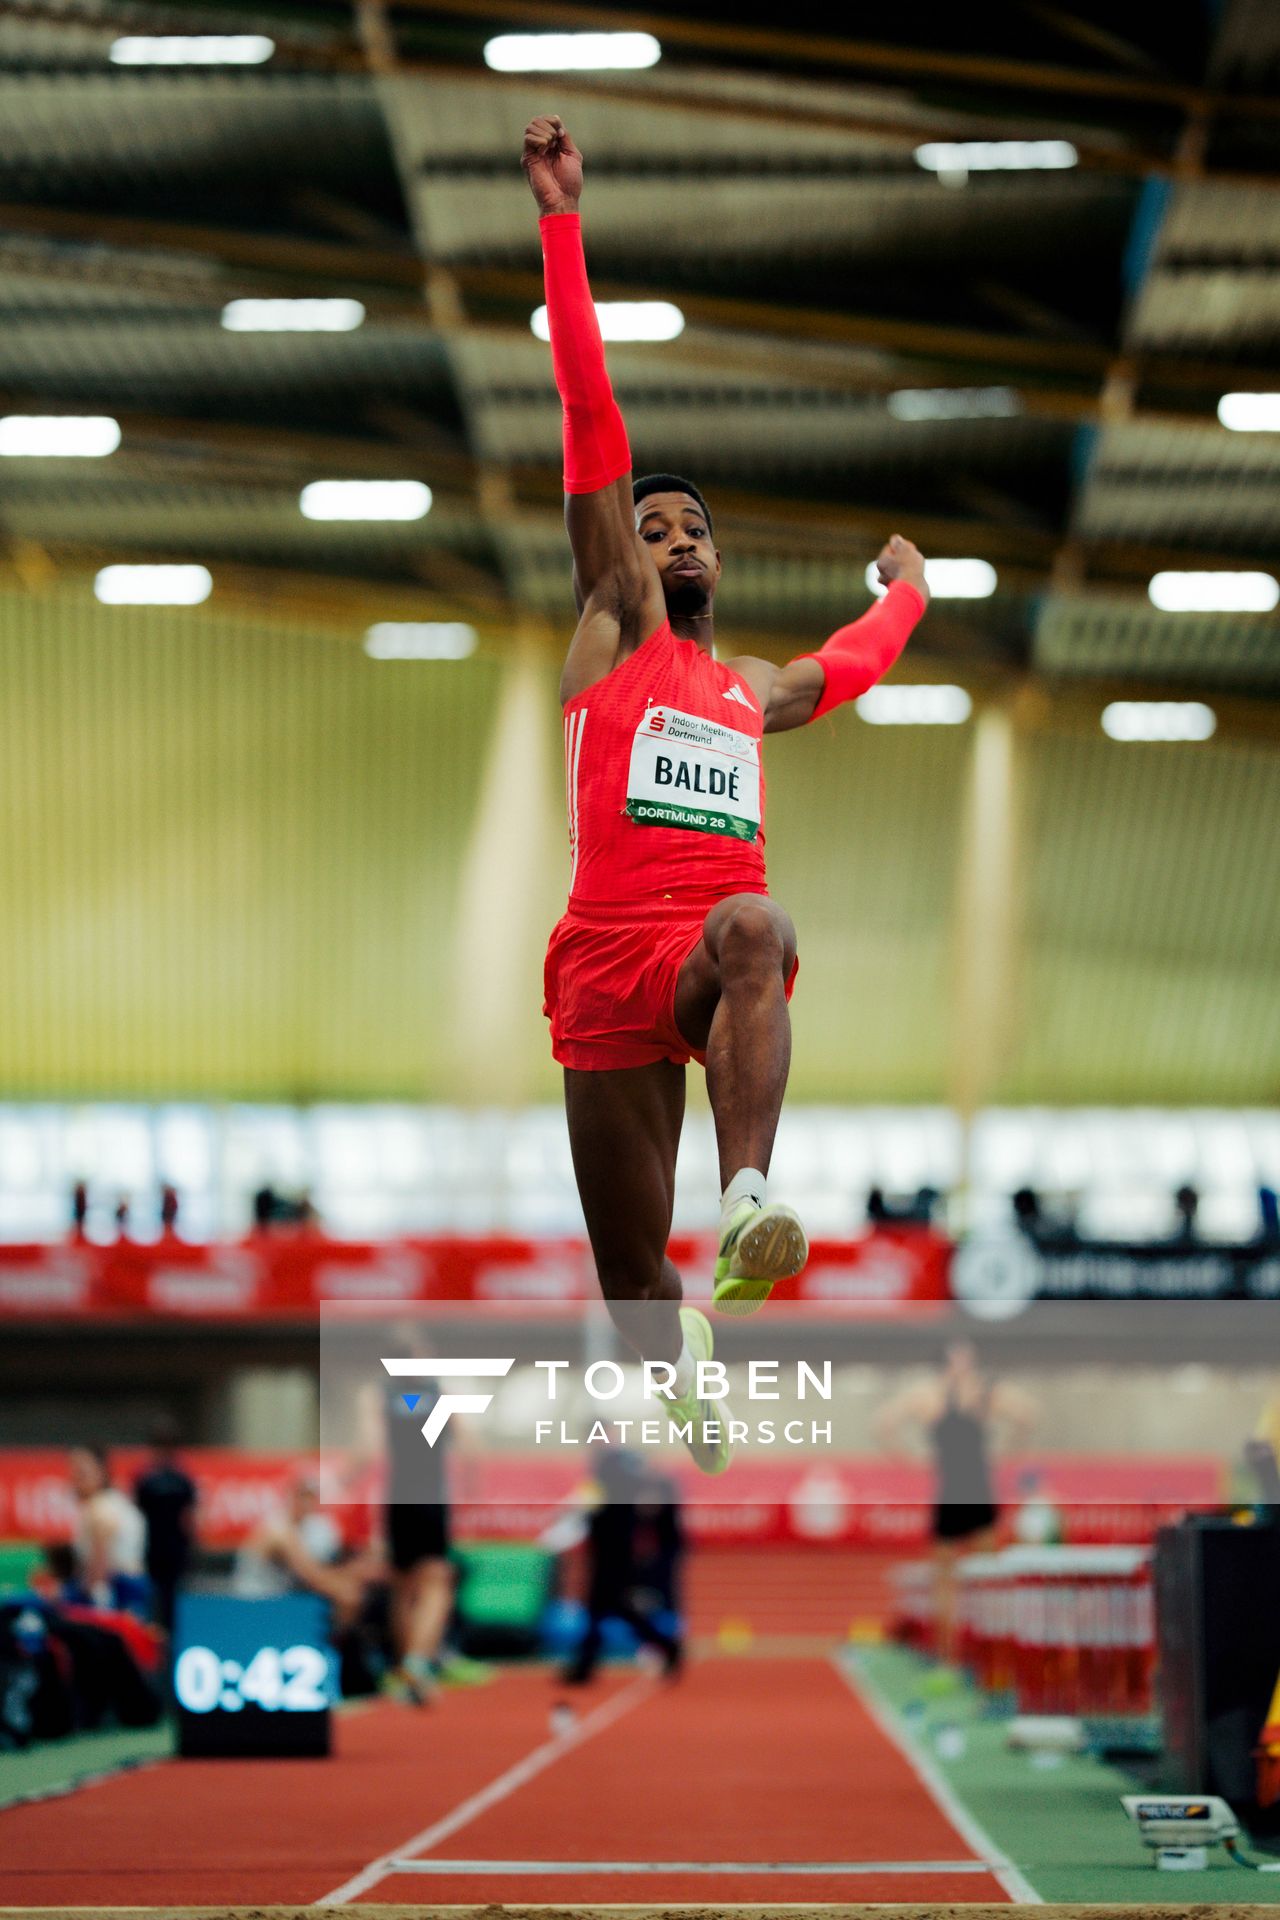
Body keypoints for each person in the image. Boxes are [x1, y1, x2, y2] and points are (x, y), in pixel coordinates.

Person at [523, 114, 930, 1476]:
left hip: (702, 942)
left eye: (695, 525)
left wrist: (915, 593)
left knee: (760, 922)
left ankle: (748, 1196)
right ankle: (679, 1355)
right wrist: (562, 223)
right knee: (633, 1293)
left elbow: (854, 664)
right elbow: (591, 413)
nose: (677, 535)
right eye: (655, 523)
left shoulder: (750, 687)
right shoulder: (612, 628)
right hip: (603, 958)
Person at [875, 1341, 1035, 1659]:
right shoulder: (930, 1396)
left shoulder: (987, 1393)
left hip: (977, 1491)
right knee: (946, 1581)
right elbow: (882, 1424)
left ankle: (990, 1655)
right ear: (945, 1364)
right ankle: (948, 1656)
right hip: (953, 1493)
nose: (964, 1368)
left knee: (988, 1578)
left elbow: (1028, 1416)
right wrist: (912, 1459)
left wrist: (1006, 1452)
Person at [563, 1451, 683, 1687]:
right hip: (608, 1556)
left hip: (613, 1558)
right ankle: (585, 1667)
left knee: (607, 1611)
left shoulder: (612, 1479)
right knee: (609, 1612)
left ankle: (584, 1668)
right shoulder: (617, 1481)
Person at [67, 1445, 151, 1619]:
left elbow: (101, 1558)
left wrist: (90, 1592)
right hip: (134, 1586)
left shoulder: (99, 1509)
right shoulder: (116, 1501)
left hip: (119, 1588)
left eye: (82, 1474)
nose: (75, 1480)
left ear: (101, 1473)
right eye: (74, 1473)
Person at [132, 1418, 197, 1634]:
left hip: (162, 1550)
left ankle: (163, 1642)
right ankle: (162, 1639)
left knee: (164, 1603)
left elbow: (189, 1518)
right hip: (164, 1550)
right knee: (162, 1603)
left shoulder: (153, 1479)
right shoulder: (178, 1479)